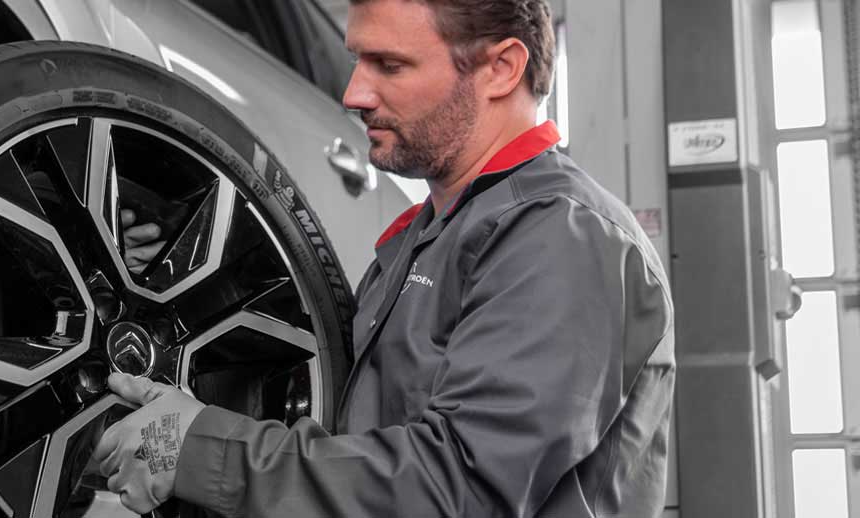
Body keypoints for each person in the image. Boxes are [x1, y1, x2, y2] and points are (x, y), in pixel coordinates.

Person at [92, 0, 676, 516]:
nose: (354, 95)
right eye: (357, 60)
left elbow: (456, 489)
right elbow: (338, 442)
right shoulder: (427, 236)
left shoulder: (562, 236)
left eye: (389, 65)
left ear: (501, 68)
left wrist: (199, 450)